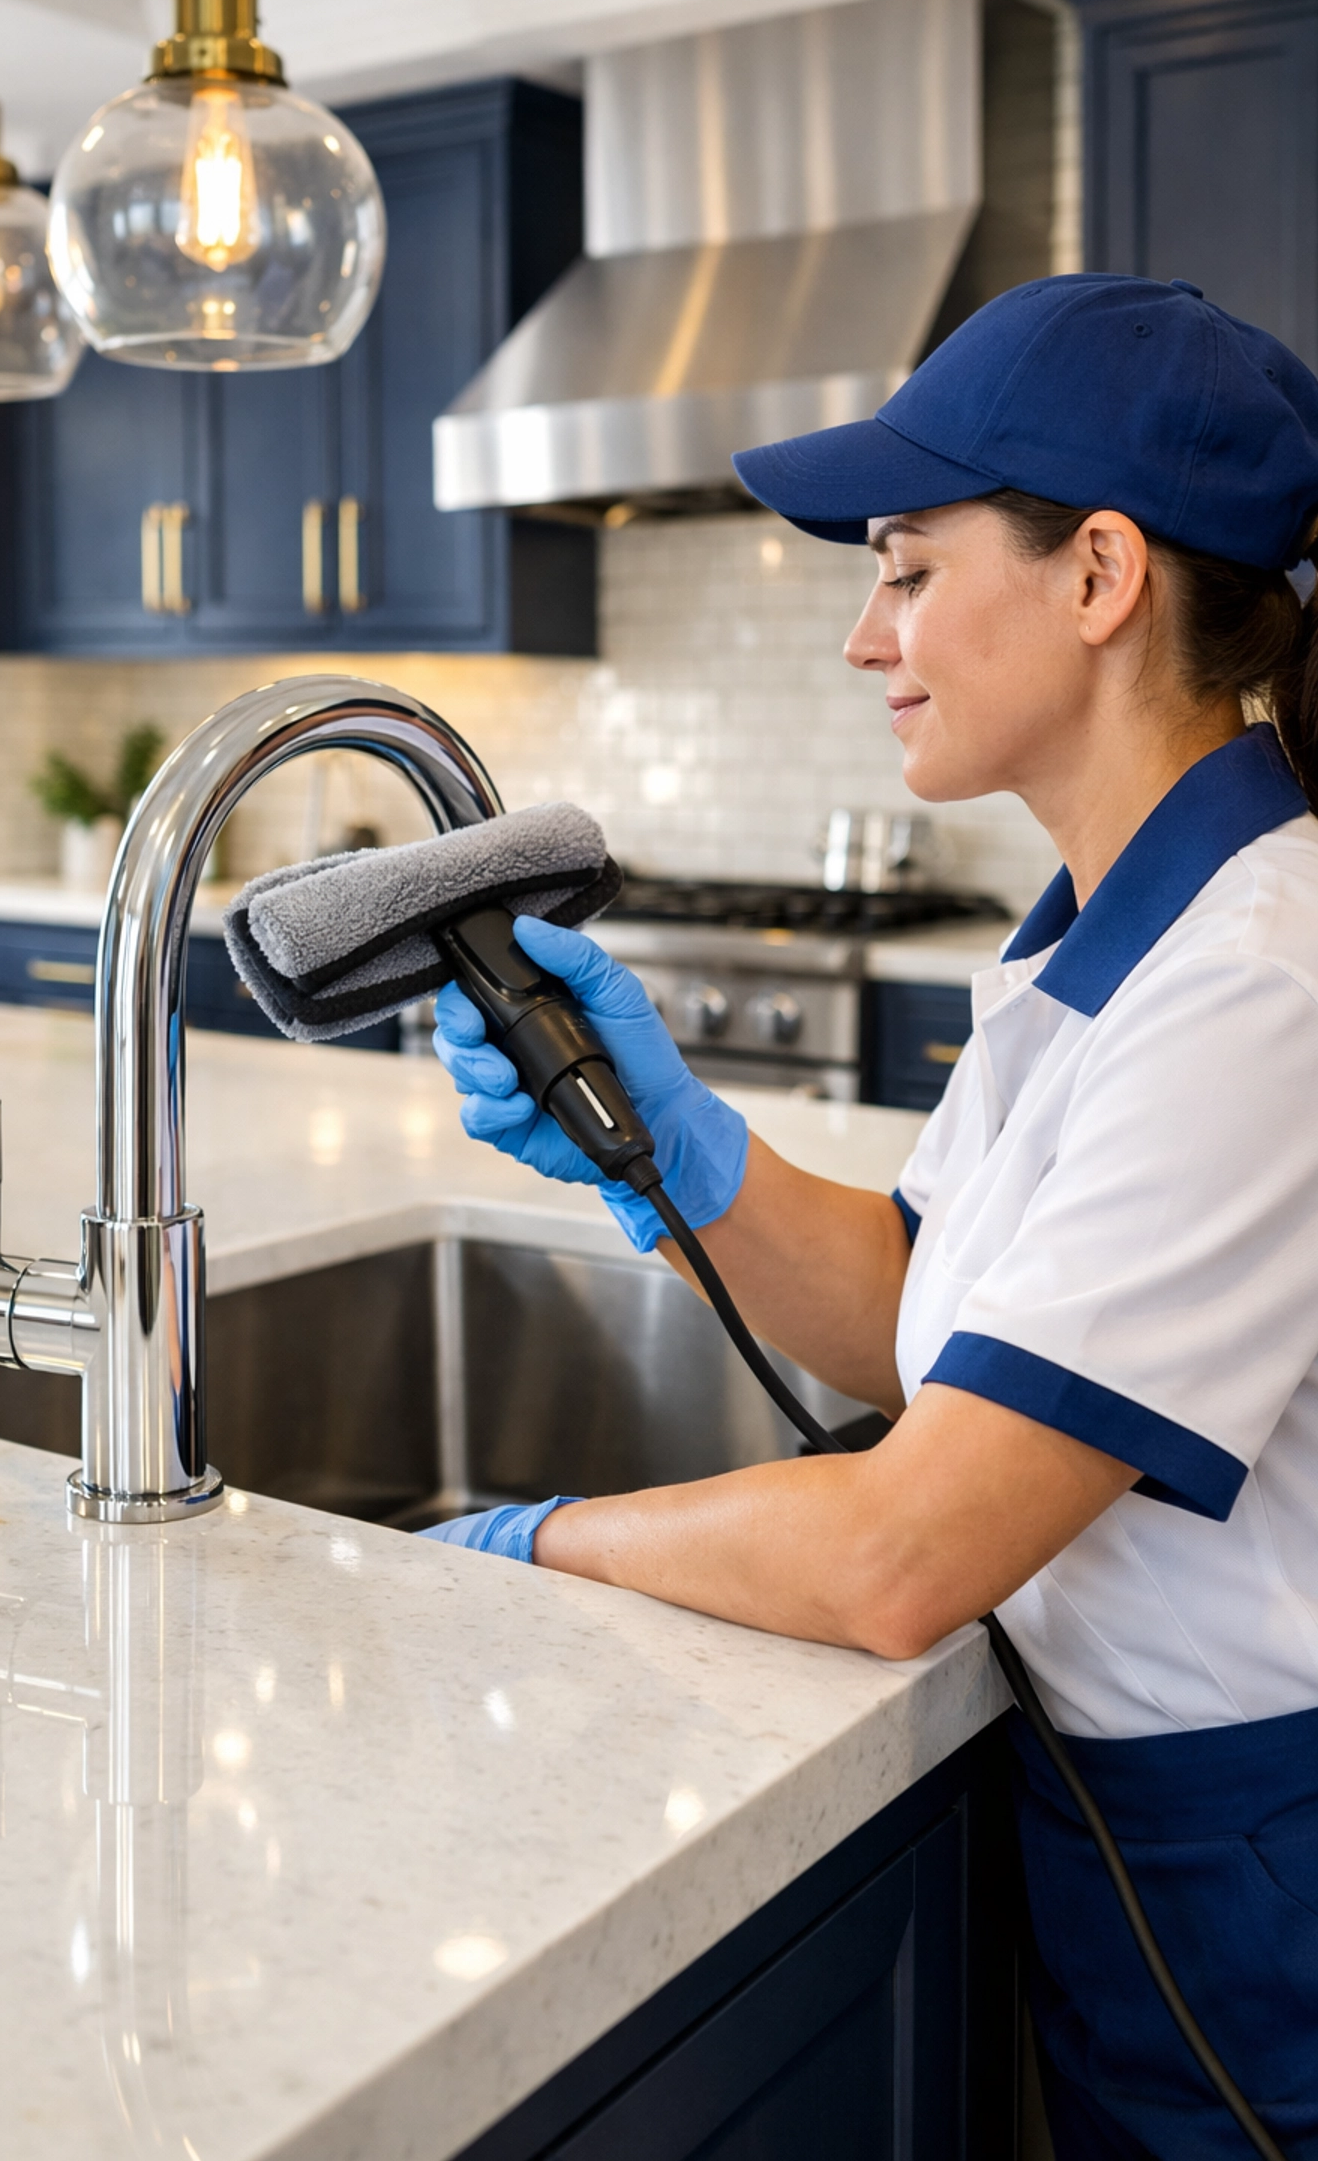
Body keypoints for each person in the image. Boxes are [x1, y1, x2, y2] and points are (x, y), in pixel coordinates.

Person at [423, 274, 1318, 2159]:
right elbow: (926, 1307)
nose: (865, 634)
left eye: (908, 569)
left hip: (1261, 1888)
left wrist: (522, 1547)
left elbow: (906, 1548)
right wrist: (664, 1156)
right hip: (1145, 1844)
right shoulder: (1104, 928)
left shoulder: (1260, 980)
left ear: (1098, 577)